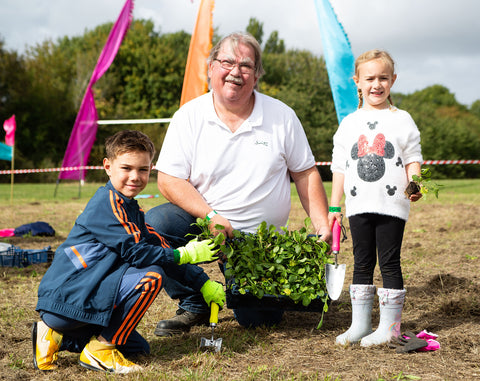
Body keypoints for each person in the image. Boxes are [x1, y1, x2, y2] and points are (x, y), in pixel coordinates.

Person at [145, 32, 332, 334]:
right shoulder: (189, 116)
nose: (235, 72)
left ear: (257, 75)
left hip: (260, 242)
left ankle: (234, 288)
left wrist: (322, 225)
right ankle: (195, 300)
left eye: (246, 65)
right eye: (227, 62)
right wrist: (210, 216)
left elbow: (305, 173)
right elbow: (168, 179)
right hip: (205, 223)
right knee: (153, 226)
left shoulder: (282, 116)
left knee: (260, 321)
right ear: (210, 67)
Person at [33, 130, 225, 374]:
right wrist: (182, 254)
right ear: (107, 166)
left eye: (143, 169)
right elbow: (139, 253)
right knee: (152, 276)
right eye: (126, 168)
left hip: (78, 299)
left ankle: (54, 336)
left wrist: (202, 282)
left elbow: (157, 243)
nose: (135, 177)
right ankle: (100, 351)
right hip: (69, 299)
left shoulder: (128, 206)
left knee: (138, 349)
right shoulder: (108, 203)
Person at [329, 49, 423, 347]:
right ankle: (360, 325)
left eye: (383, 78)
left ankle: (390, 328)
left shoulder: (402, 119)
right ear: (357, 81)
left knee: (389, 262)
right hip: (359, 205)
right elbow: (340, 167)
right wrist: (334, 206)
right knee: (362, 261)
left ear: (393, 80)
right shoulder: (349, 123)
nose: (376, 84)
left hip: (392, 205)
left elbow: (412, 158)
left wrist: (415, 182)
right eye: (370, 78)